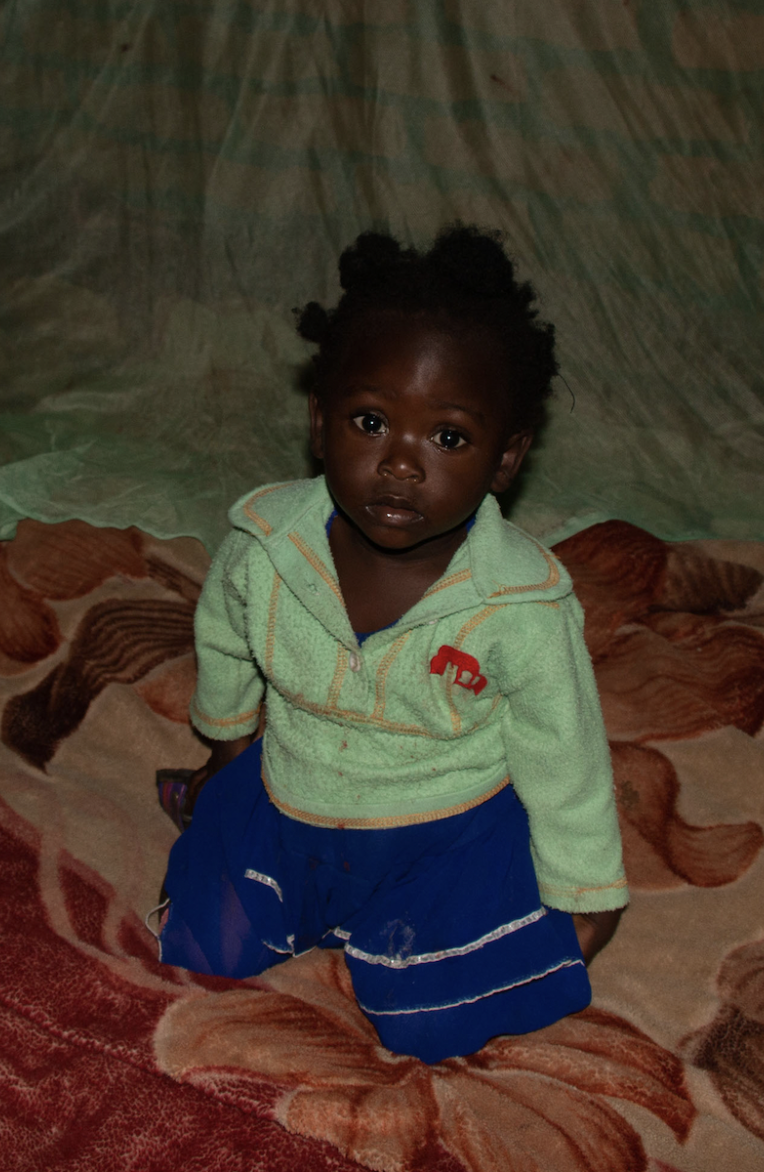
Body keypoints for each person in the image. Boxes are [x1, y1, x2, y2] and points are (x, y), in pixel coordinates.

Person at [158, 225, 627, 1064]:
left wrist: (588, 891)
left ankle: (442, 934)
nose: (401, 464)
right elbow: (224, 636)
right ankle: (247, 837)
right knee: (206, 950)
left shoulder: (520, 603)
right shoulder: (267, 544)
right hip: (292, 792)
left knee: (425, 1017)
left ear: (506, 458)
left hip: (447, 827)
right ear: (319, 421)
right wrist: (229, 743)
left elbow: (567, 752)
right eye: (370, 421)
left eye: (448, 438)